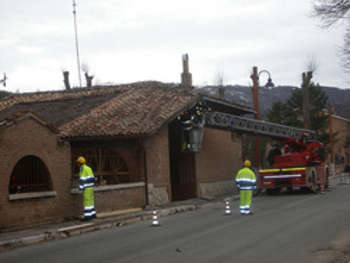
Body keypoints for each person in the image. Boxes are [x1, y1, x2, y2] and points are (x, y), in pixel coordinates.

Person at [76, 156, 96, 221]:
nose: (77, 164)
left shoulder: (82, 169)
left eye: (77, 163)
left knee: (86, 202)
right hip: (91, 187)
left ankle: (87, 217)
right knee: (91, 201)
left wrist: (80, 188)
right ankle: (93, 214)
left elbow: (82, 179)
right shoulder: (88, 168)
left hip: (87, 188)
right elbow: (93, 178)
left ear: (79, 163)